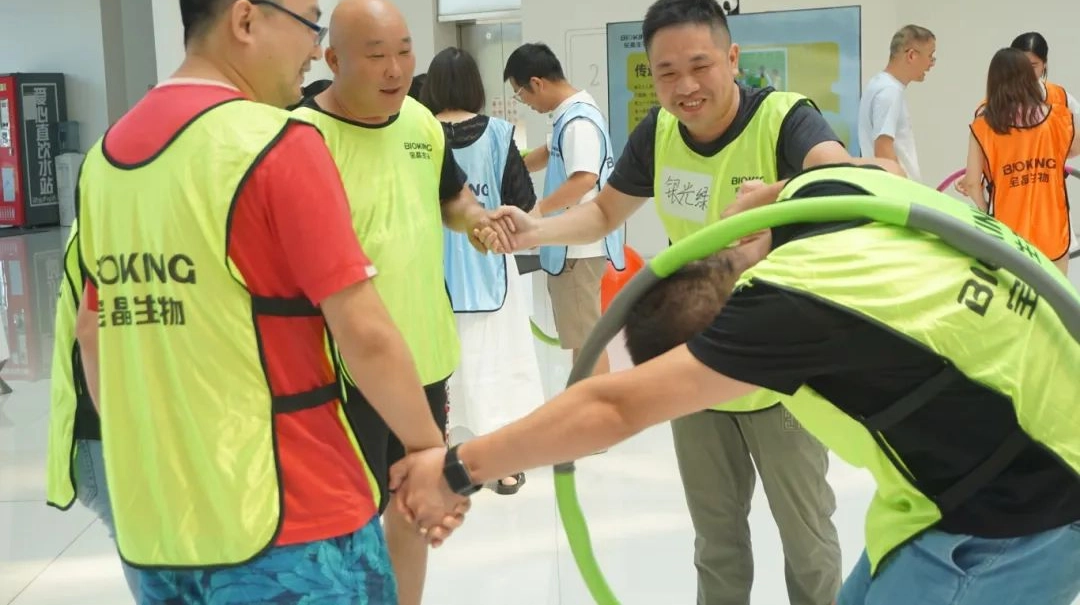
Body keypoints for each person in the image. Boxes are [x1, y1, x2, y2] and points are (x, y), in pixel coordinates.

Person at [393, 163, 1080, 605]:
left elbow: (612, 404)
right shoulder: (817, 195)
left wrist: (456, 468)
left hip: (1020, 505)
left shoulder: (782, 312)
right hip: (990, 459)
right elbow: (878, 170)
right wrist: (759, 206)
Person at [73, 0, 464, 604]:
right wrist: (429, 450)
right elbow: (364, 332)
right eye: (308, 24)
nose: (314, 49)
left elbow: (94, 333)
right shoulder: (276, 143)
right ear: (246, 20)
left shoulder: (106, 158)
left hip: (158, 527)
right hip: (292, 524)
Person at [486, 0, 860, 605]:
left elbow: (849, 178)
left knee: (809, 546)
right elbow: (604, 211)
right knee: (716, 546)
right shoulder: (659, 132)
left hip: (780, 373)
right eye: (666, 72)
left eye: (699, 65)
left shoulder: (784, 119)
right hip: (695, 363)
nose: (685, 86)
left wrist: (776, 195)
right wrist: (534, 228)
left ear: (732, 59)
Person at [291, 0, 501, 605]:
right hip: (341, 371)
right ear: (333, 60)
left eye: (405, 52)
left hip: (423, 359)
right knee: (345, 521)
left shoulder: (420, 122)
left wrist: (477, 221)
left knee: (414, 504)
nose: (395, 70)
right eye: (376, 55)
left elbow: (452, 198)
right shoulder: (300, 136)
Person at [419, 46, 544, 495]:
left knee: (441, 368)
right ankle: (500, 467)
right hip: (493, 264)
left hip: (432, 270)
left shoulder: (420, 133)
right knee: (497, 364)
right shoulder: (498, 133)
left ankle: (443, 458)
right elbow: (523, 201)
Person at [503, 42, 625, 377]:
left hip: (578, 249)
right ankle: (586, 397)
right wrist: (511, 168)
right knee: (582, 339)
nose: (525, 103)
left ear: (537, 83)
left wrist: (538, 213)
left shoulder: (578, 122)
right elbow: (548, 151)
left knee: (586, 341)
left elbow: (584, 179)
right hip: (577, 247)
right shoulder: (571, 114)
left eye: (520, 94)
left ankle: (592, 401)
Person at [45, 221, 139, 600]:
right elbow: (89, 329)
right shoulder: (109, 220)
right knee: (158, 566)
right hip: (107, 438)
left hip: (104, 434)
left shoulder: (101, 215)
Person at [961, 48, 1080, 272]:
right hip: (1053, 226)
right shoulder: (1058, 117)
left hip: (1008, 229)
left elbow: (972, 183)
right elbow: (1073, 149)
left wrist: (987, 211)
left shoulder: (982, 126)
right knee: (1055, 292)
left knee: (1014, 292)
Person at [857, 24, 936, 181]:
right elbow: (883, 149)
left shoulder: (878, 85)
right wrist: (904, 189)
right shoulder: (889, 91)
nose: (932, 63)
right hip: (897, 190)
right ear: (912, 56)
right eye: (930, 56)